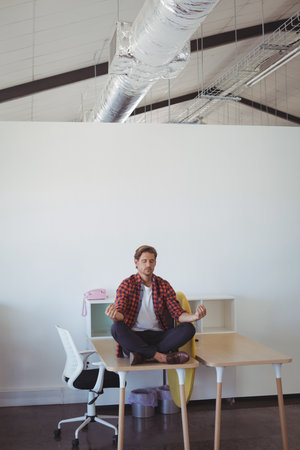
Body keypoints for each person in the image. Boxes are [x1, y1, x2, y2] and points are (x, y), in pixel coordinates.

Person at [105, 245, 207, 365]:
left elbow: (178, 313)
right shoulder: (127, 284)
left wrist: (194, 317)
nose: (148, 264)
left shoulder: (163, 285)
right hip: (135, 336)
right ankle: (160, 357)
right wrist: (114, 316)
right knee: (116, 328)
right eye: (144, 261)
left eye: (151, 261)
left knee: (189, 328)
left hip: (159, 336)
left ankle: (142, 356)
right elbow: (120, 312)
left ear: (155, 263)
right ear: (136, 262)